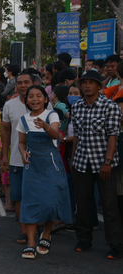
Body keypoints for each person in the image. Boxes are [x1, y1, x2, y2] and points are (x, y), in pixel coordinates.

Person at [70, 69, 123, 259]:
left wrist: (107, 161)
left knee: (109, 206)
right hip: (82, 163)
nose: (86, 86)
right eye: (84, 83)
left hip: (105, 164)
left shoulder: (110, 107)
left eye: (91, 82)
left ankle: (115, 245)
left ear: (99, 86)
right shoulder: (76, 107)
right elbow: (76, 135)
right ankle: (83, 240)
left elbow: (113, 135)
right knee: (82, 204)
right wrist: (73, 158)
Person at [17, 85, 72, 259]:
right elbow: (21, 143)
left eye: (38, 96)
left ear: (46, 99)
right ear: (26, 100)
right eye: (30, 96)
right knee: (31, 203)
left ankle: (47, 233)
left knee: (51, 201)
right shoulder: (23, 119)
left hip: (51, 164)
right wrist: (22, 152)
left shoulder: (52, 114)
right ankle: (31, 243)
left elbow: (56, 135)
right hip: (32, 165)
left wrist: (45, 126)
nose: (34, 99)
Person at [0, 71, 37, 244]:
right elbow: (5, 130)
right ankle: (24, 231)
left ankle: (39, 227)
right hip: (16, 158)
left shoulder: (44, 103)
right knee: (19, 196)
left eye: (26, 82)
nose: (23, 85)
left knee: (38, 196)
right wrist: (4, 154)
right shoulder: (10, 105)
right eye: (19, 83)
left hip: (40, 159)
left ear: (33, 83)